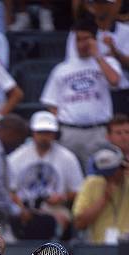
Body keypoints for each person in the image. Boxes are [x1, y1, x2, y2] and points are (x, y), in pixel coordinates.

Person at [40, 16, 122, 171]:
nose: (82, 44)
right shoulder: (62, 69)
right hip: (70, 132)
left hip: (98, 131)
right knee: (71, 174)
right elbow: (51, 103)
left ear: (95, 39)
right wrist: (65, 122)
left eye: (86, 39)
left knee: (102, 175)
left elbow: (115, 80)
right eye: (78, 39)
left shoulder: (107, 62)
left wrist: (97, 55)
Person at [8, 111, 84, 239]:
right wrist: (21, 208)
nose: (44, 137)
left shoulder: (67, 157)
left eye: (48, 133)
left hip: (54, 207)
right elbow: (10, 191)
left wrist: (63, 197)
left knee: (61, 218)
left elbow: (79, 190)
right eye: (40, 132)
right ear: (33, 132)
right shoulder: (16, 157)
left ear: (55, 134)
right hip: (23, 207)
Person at [65, 1, 129, 113]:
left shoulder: (126, 31)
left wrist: (115, 51)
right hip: (90, 92)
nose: (102, 7)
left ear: (117, 5)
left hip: (120, 92)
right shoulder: (80, 32)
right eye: (98, 3)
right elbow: (73, 63)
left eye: (106, 4)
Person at [73, 144, 129, 243]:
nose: (109, 177)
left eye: (112, 172)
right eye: (105, 173)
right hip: (100, 246)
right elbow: (79, 223)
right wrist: (104, 199)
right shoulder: (92, 183)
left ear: (122, 166)